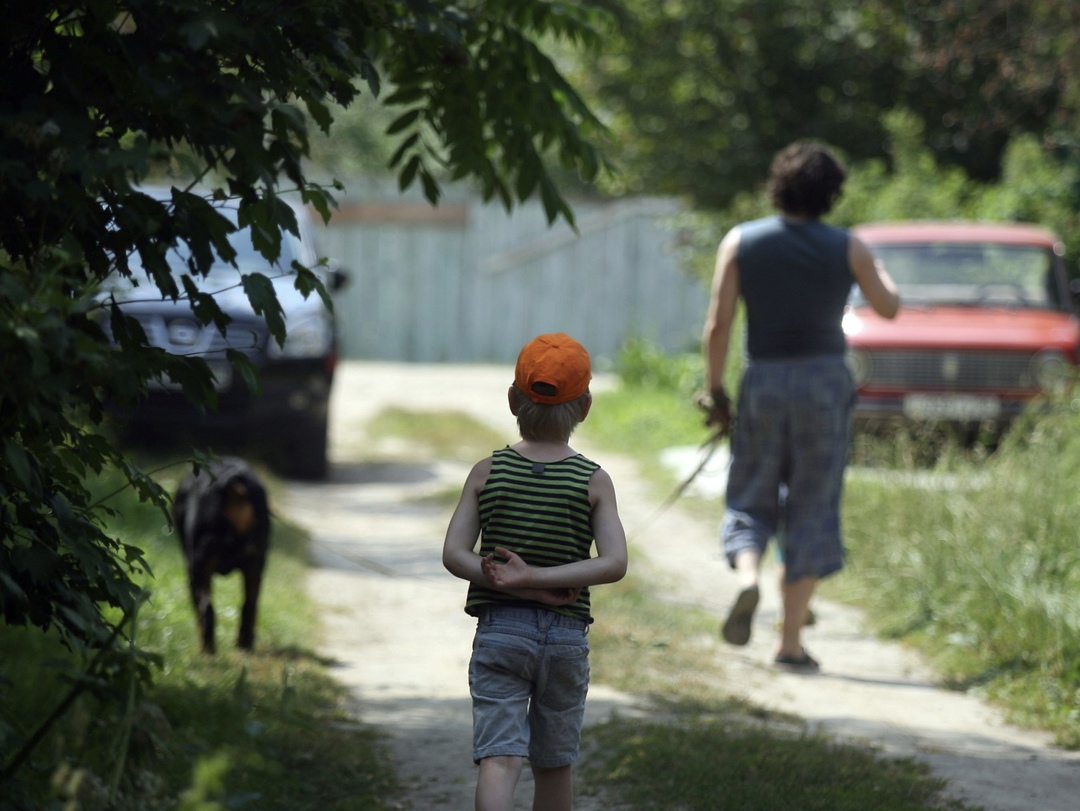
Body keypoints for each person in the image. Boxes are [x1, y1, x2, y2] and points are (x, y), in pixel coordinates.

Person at [699, 141, 900, 671]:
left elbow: (718, 324)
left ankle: (747, 578)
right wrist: (888, 274)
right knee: (812, 503)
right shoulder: (848, 246)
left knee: (751, 489)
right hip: (824, 384)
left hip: (763, 378)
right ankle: (789, 643)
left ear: (778, 185)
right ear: (832, 193)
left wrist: (716, 392)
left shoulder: (741, 240)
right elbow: (888, 307)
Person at [442, 332, 628, 811]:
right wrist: (543, 582)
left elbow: (454, 553)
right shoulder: (593, 480)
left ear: (511, 400)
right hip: (566, 639)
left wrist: (508, 579)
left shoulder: (488, 471)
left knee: (500, 760)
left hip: (501, 634)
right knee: (554, 764)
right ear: (585, 407)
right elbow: (613, 563)